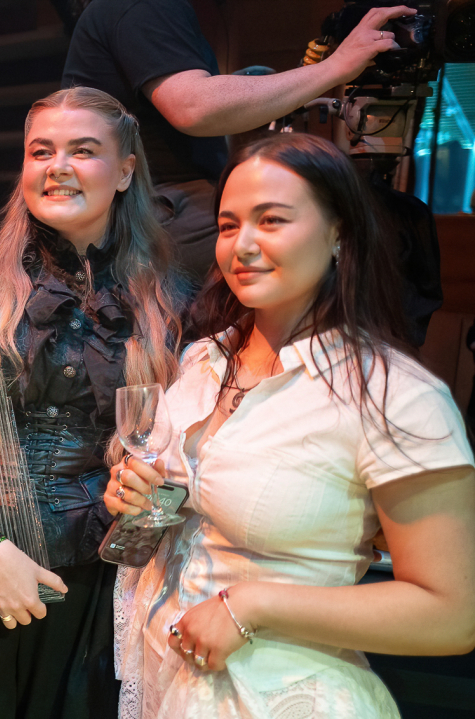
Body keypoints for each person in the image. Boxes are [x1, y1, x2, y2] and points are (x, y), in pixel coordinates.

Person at [105, 133, 475, 718]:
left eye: (272, 220)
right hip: (167, 683)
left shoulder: (395, 396)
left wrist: (252, 606)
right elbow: (191, 506)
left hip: (284, 697)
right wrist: (141, 498)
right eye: (228, 225)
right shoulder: (204, 361)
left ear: (340, 234)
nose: (243, 245)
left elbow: (451, 616)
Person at [0, 87, 183, 719]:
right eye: (41, 151)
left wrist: (150, 501)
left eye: (84, 151)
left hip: (102, 591)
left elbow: (187, 462)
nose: (58, 167)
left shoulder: (169, 303)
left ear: (125, 171)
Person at [62, 0, 417, 285]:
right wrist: (335, 67)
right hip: (150, 209)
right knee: (365, 234)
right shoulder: (142, 5)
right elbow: (193, 107)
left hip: (158, 204)